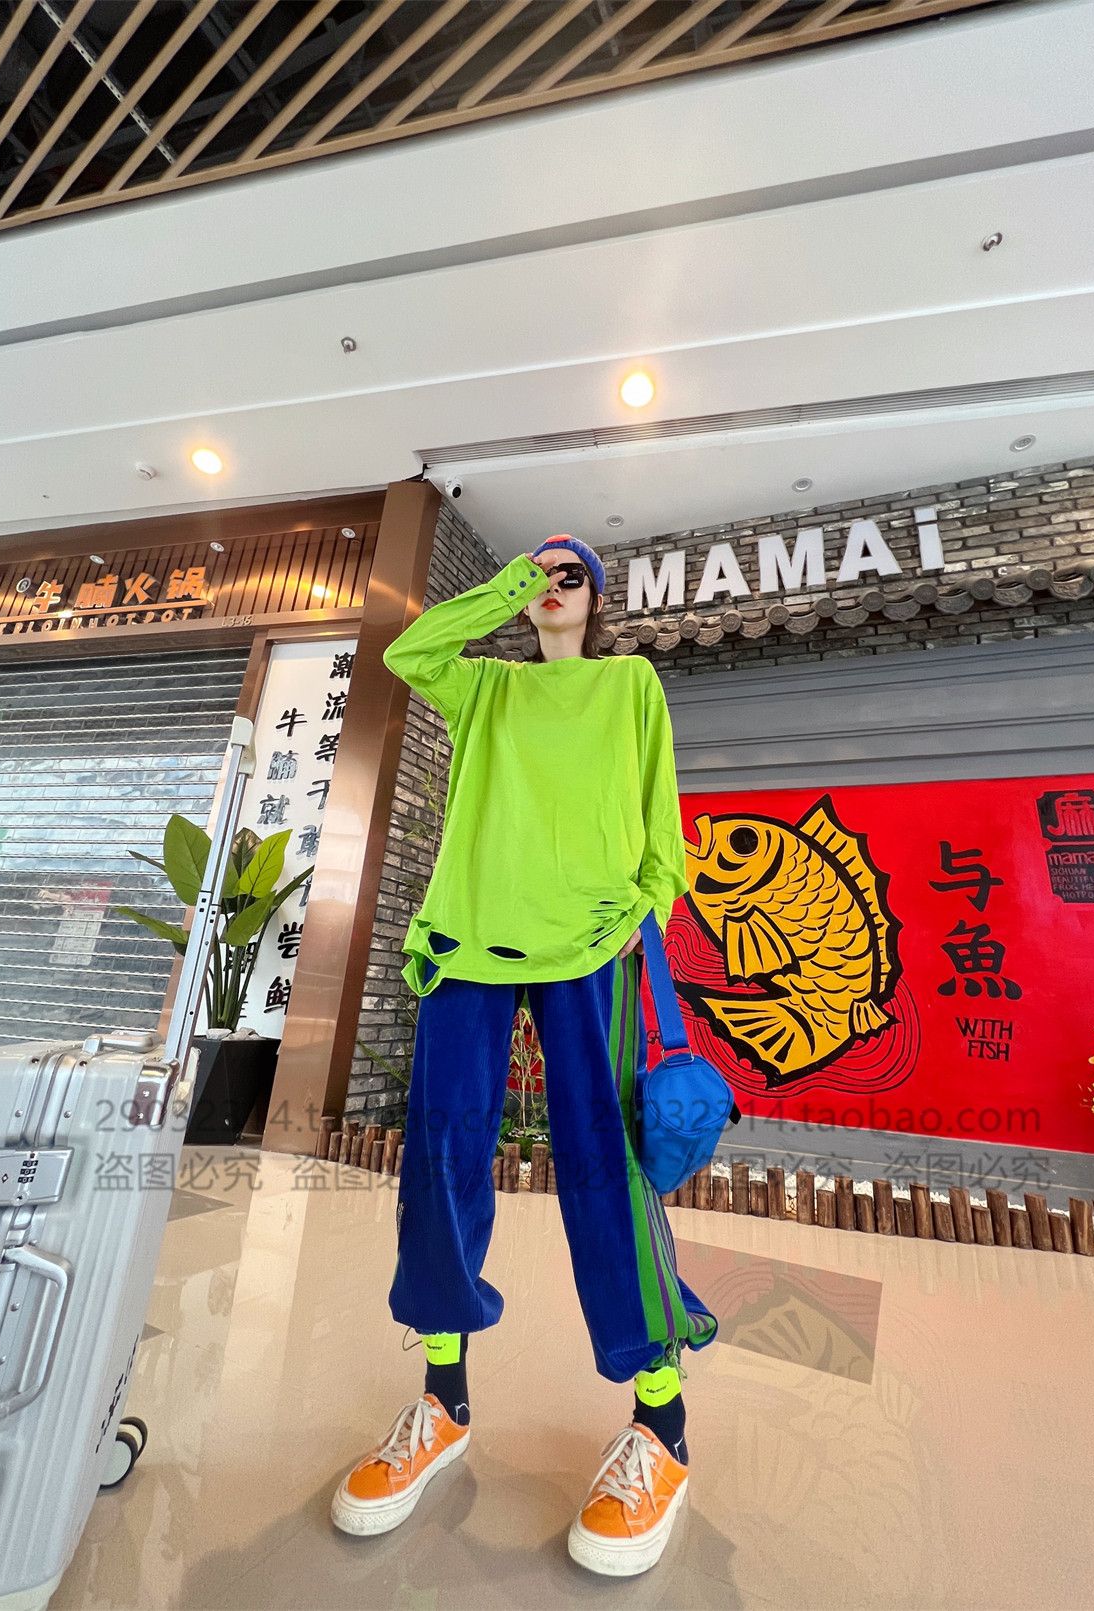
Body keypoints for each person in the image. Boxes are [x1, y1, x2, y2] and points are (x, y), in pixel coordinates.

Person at [330, 536, 716, 1576]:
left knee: (604, 1169)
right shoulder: (488, 687)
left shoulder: (628, 684)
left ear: (598, 598)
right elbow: (408, 656)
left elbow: (663, 823)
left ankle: (661, 1425)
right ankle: (442, 1403)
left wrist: (641, 908)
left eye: (570, 573)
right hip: (470, 947)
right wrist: (506, 587)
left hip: (591, 948)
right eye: (539, 572)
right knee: (439, 1165)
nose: (552, 585)